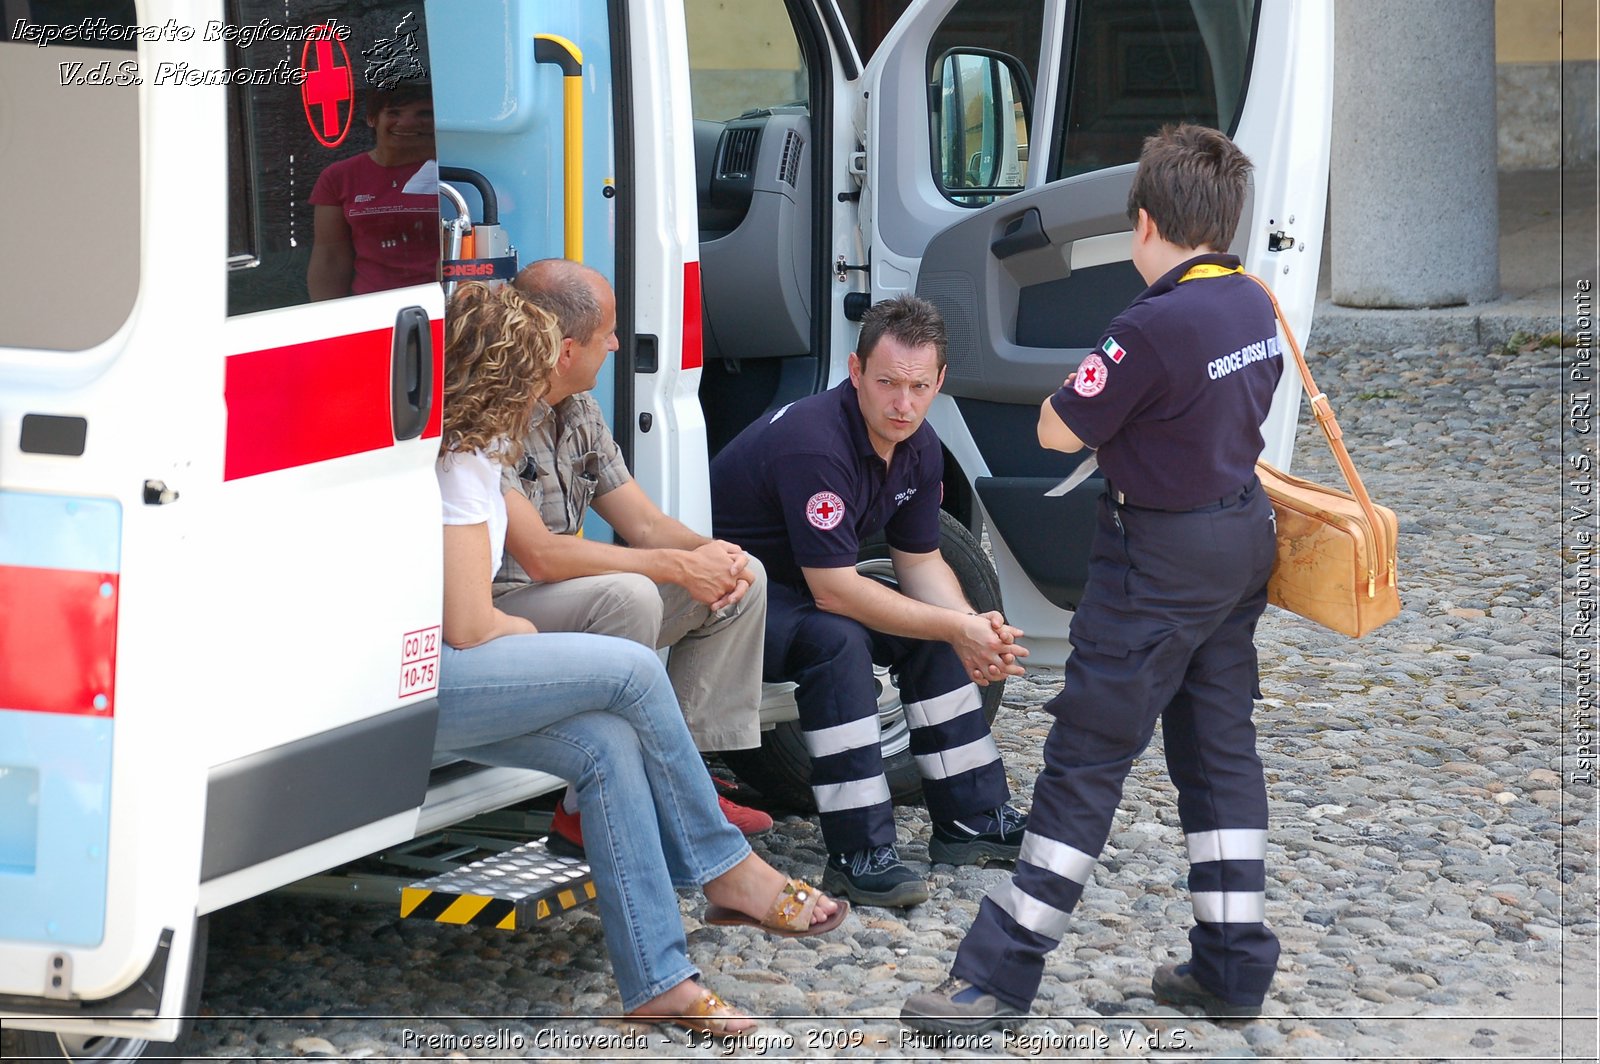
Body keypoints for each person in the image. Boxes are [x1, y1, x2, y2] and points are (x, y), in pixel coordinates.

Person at [900, 124, 1284, 1033]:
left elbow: (1055, 430)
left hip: (1155, 561)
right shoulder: (1252, 302)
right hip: (1238, 544)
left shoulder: (1148, 325)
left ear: (1145, 222)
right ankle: (1232, 966)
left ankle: (997, 977)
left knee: (1084, 760)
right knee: (1219, 752)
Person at [434, 281, 845, 1034]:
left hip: (451, 673)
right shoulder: (465, 463)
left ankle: (660, 980)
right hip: (432, 684)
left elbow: (638, 525)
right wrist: (538, 643)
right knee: (628, 670)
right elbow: (467, 626)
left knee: (609, 742)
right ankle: (724, 867)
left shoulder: (478, 449)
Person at [708, 295, 1030, 909]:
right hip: (736, 598)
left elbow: (920, 562)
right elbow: (834, 591)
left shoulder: (921, 443)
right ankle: (859, 853)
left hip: (803, 588)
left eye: (917, 386)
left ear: (940, 382)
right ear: (855, 372)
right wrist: (955, 627)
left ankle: (974, 818)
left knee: (932, 630)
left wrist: (971, 627)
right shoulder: (816, 443)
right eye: (886, 383)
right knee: (839, 639)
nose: (902, 403)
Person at [495, 259, 773, 845]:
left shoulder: (579, 411)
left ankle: (689, 778)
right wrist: (674, 566)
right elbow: (541, 557)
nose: (618, 344)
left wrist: (710, 554)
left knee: (742, 578)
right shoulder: (491, 419)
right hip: (502, 613)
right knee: (631, 595)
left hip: (560, 601)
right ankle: (583, 805)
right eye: (608, 334)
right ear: (566, 350)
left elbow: (644, 524)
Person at [307, 83, 438, 300]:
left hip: (443, 308)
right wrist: (328, 318)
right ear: (372, 119)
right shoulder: (338, 177)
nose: (407, 122)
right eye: (394, 112)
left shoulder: (457, 171)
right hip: (370, 313)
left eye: (424, 113)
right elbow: (330, 257)